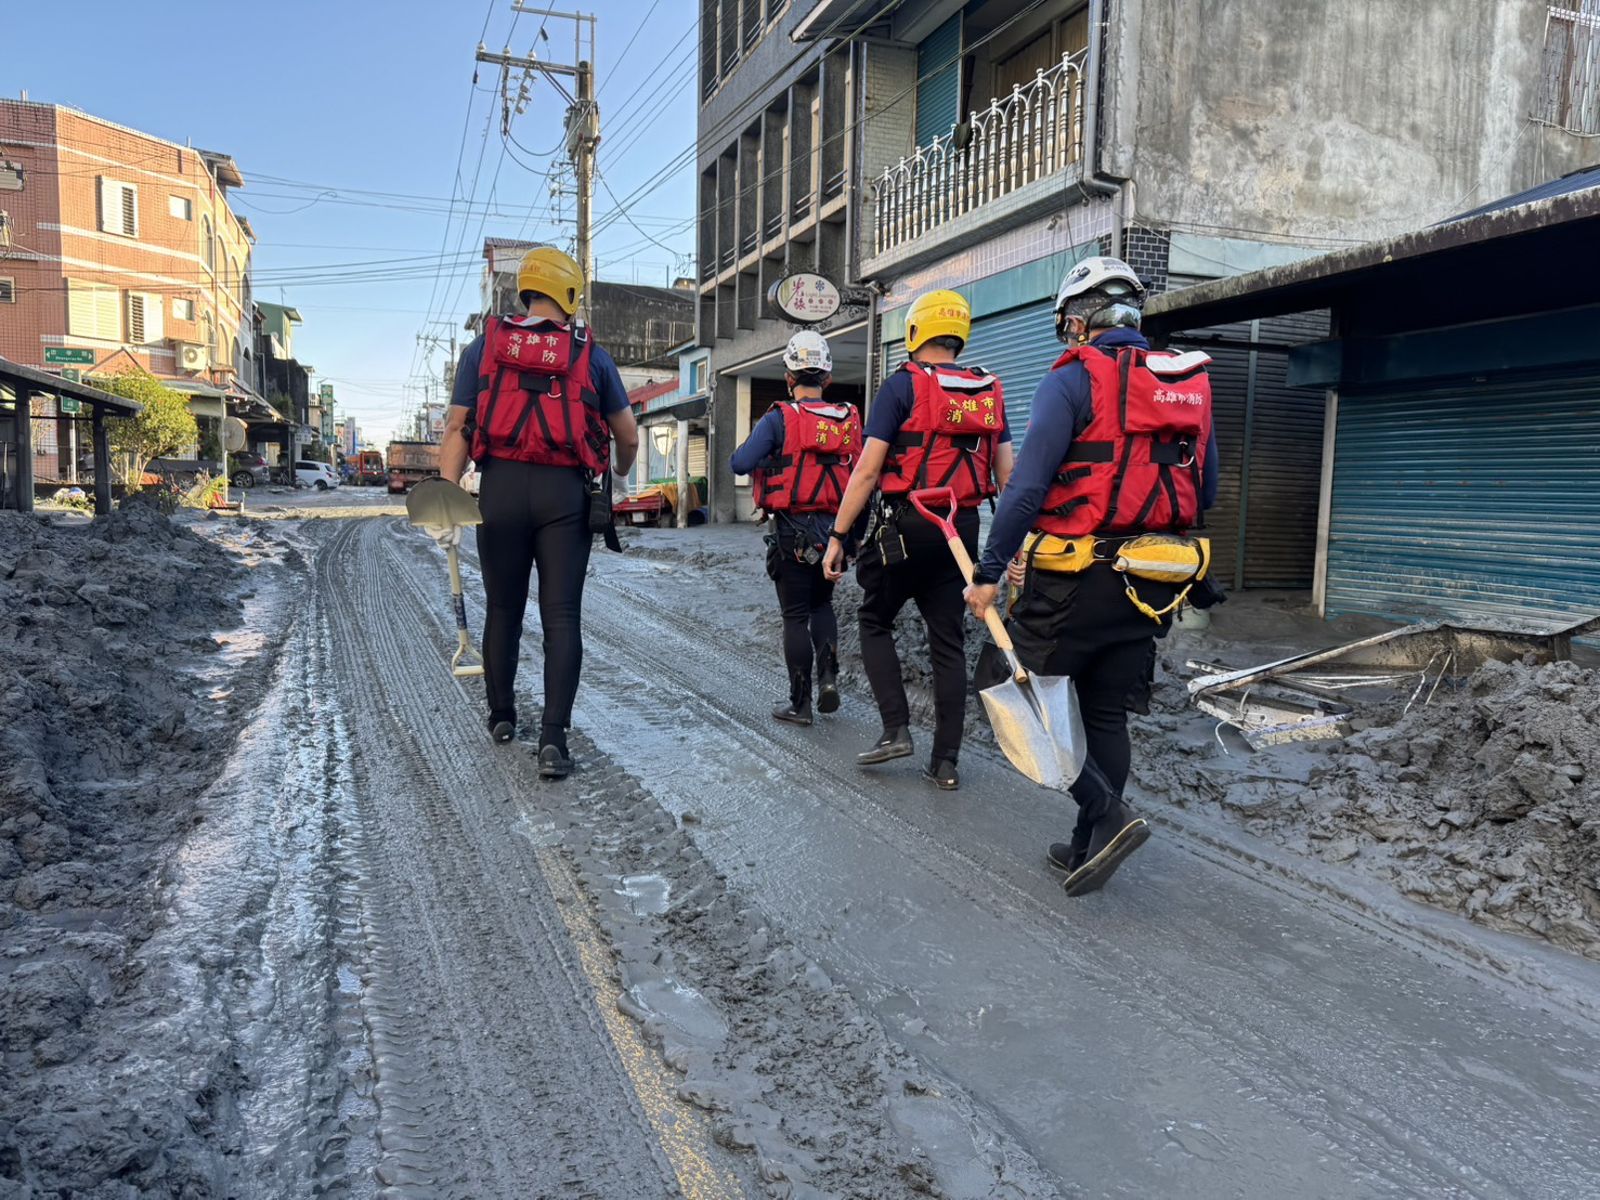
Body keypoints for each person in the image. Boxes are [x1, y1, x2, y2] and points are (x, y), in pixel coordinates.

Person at [962, 256, 1219, 895]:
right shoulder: (1186, 383)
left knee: (1006, 681)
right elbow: (1206, 487)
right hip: (1155, 579)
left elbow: (1026, 487)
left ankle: (1108, 812)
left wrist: (989, 573)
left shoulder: (1073, 378)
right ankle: (1090, 844)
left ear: (1077, 322)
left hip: (1079, 576)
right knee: (1105, 711)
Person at [436, 246, 639, 779]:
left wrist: (446, 494)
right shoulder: (588, 353)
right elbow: (628, 434)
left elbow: (457, 427)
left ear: (524, 289)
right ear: (569, 293)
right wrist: (617, 477)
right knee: (561, 617)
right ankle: (553, 741)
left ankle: (502, 716)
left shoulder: (484, 348)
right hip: (564, 497)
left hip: (499, 490)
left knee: (502, 609)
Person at [822, 289, 1014, 791]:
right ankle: (945, 762)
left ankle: (896, 728)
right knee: (947, 640)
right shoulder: (987, 388)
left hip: (908, 524)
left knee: (874, 617)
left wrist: (839, 534)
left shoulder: (900, 386)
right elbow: (1008, 477)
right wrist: (1015, 549)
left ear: (915, 332)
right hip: (962, 529)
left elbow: (865, 473)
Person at [731, 331, 861, 726]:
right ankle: (828, 679)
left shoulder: (779, 418)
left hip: (791, 531)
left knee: (794, 615)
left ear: (789, 377)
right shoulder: (846, 419)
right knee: (822, 606)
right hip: (834, 531)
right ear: (827, 378)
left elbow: (740, 462)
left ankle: (800, 704)